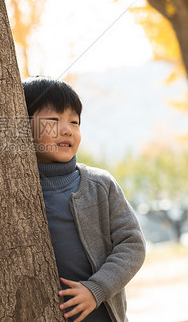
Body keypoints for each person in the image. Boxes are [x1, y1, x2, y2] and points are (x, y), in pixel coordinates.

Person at [22, 77, 146, 321]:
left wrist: (96, 288)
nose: (67, 129)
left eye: (74, 121)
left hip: (100, 313)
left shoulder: (100, 185)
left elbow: (132, 244)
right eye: (53, 120)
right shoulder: (15, 190)